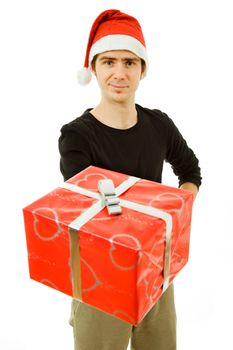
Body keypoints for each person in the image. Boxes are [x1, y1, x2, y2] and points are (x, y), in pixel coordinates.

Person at [58, 9, 202, 350]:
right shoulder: (76, 136)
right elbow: (88, 205)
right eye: (109, 62)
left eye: (129, 62)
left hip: (156, 268)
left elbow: (190, 171)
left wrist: (179, 209)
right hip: (99, 275)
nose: (119, 73)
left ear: (142, 69)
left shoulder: (159, 125)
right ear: (93, 68)